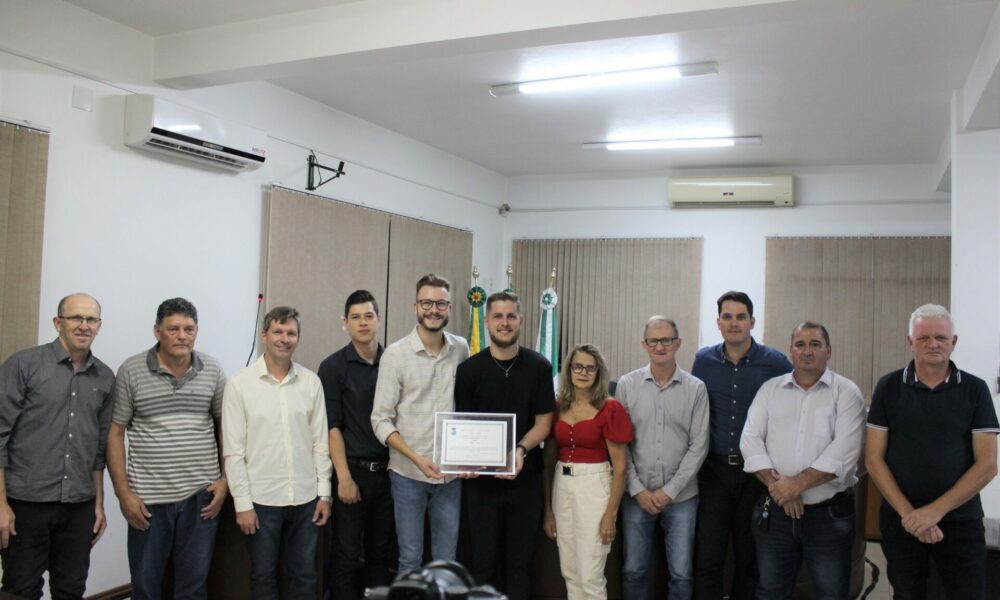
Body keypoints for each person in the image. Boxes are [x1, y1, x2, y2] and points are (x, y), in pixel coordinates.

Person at [866, 304, 999, 599]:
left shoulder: (975, 390)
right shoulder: (888, 387)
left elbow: (988, 464)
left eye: (940, 337)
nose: (932, 344)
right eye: (923, 337)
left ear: (954, 342)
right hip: (902, 520)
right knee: (907, 594)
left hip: (960, 520)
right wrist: (911, 515)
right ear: (910, 342)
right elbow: (874, 459)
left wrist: (934, 512)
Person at [107, 298, 228, 600]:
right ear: (157, 331)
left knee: (194, 586)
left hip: (201, 499)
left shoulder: (212, 369)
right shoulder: (132, 370)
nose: (182, 335)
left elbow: (228, 428)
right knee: (146, 586)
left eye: (189, 329)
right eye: (173, 328)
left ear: (197, 332)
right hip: (148, 501)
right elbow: (115, 433)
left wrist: (227, 480)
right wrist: (124, 494)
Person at [0, 293, 115, 599]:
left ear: (99, 326)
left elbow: (98, 450)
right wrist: (0, 504)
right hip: (26, 502)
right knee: (20, 589)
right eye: (76, 318)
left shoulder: (104, 377)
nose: (84, 326)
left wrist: (99, 504)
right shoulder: (23, 365)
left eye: (91, 319)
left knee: (71, 589)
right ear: (57, 322)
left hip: (78, 505)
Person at [740, 321, 866, 599]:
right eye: (800, 345)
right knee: (771, 591)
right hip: (776, 513)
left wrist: (796, 484)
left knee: (831, 593)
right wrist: (781, 488)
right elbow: (749, 441)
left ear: (828, 351)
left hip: (828, 516)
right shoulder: (770, 390)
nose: (807, 351)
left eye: (815, 344)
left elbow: (844, 451)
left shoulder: (846, 393)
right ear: (791, 351)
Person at [223, 306, 333, 599]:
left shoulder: (311, 382)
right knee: (263, 575)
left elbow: (320, 443)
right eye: (278, 332)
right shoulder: (240, 384)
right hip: (261, 501)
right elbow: (233, 451)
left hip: (306, 498)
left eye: (291, 333)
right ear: (264, 335)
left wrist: (324, 495)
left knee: (305, 574)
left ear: (298, 338)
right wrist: (242, 503)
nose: (284, 339)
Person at [691, 290, 792, 600]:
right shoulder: (703, 360)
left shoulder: (775, 363)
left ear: (752, 321)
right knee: (708, 558)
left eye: (740, 317)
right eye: (727, 317)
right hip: (714, 472)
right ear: (718, 322)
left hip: (755, 476)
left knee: (749, 559)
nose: (734, 323)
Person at [454, 291, 554, 600]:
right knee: (483, 568)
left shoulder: (538, 366)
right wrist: (464, 460)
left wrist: (520, 451)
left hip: (525, 484)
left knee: (520, 569)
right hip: (481, 488)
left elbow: (544, 423)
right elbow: (463, 425)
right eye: (497, 316)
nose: (505, 323)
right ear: (486, 322)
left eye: (511, 316)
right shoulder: (469, 370)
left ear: (521, 320)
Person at [371, 274, 470, 573]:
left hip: (450, 479)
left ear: (449, 307)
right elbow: (380, 419)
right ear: (416, 306)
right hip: (408, 475)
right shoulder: (395, 355)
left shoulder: (461, 349)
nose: (434, 309)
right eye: (427, 302)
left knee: (446, 561)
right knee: (410, 559)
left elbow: (469, 409)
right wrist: (417, 458)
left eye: (441, 303)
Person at [617, 316, 709, 600]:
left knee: (681, 574)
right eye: (654, 340)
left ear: (678, 343)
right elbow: (620, 446)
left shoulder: (696, 389)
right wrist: (637, 490)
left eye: (666, 339)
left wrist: (669, 492)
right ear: (644, 344)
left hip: (682, 498)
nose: (660, 346)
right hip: (637, 497)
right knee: (633, 570)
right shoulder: (626, 385)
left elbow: (699, 446)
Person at [318, 290, 394, 599]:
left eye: (368, 316)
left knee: (381, 556)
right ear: (345, 323)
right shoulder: (333, 367)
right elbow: (331, 427)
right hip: (353, 473)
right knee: (346, 555)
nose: (363, 323)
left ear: (379, 319)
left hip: (391, 474)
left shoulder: (395, 361)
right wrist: (344, 478)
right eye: (355, 317)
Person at [543, 344, 633, 600]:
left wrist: (610, 515)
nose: (583, 372)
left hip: (594, 487)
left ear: (598, 372)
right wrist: (548, 509)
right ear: (569, 369)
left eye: (590, 368)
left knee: (590, 575)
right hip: (563, 484)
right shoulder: (558, 405)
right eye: (578, 366)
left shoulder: (610, 408)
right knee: (570, 572)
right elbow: (548, 462)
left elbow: (621, 467)